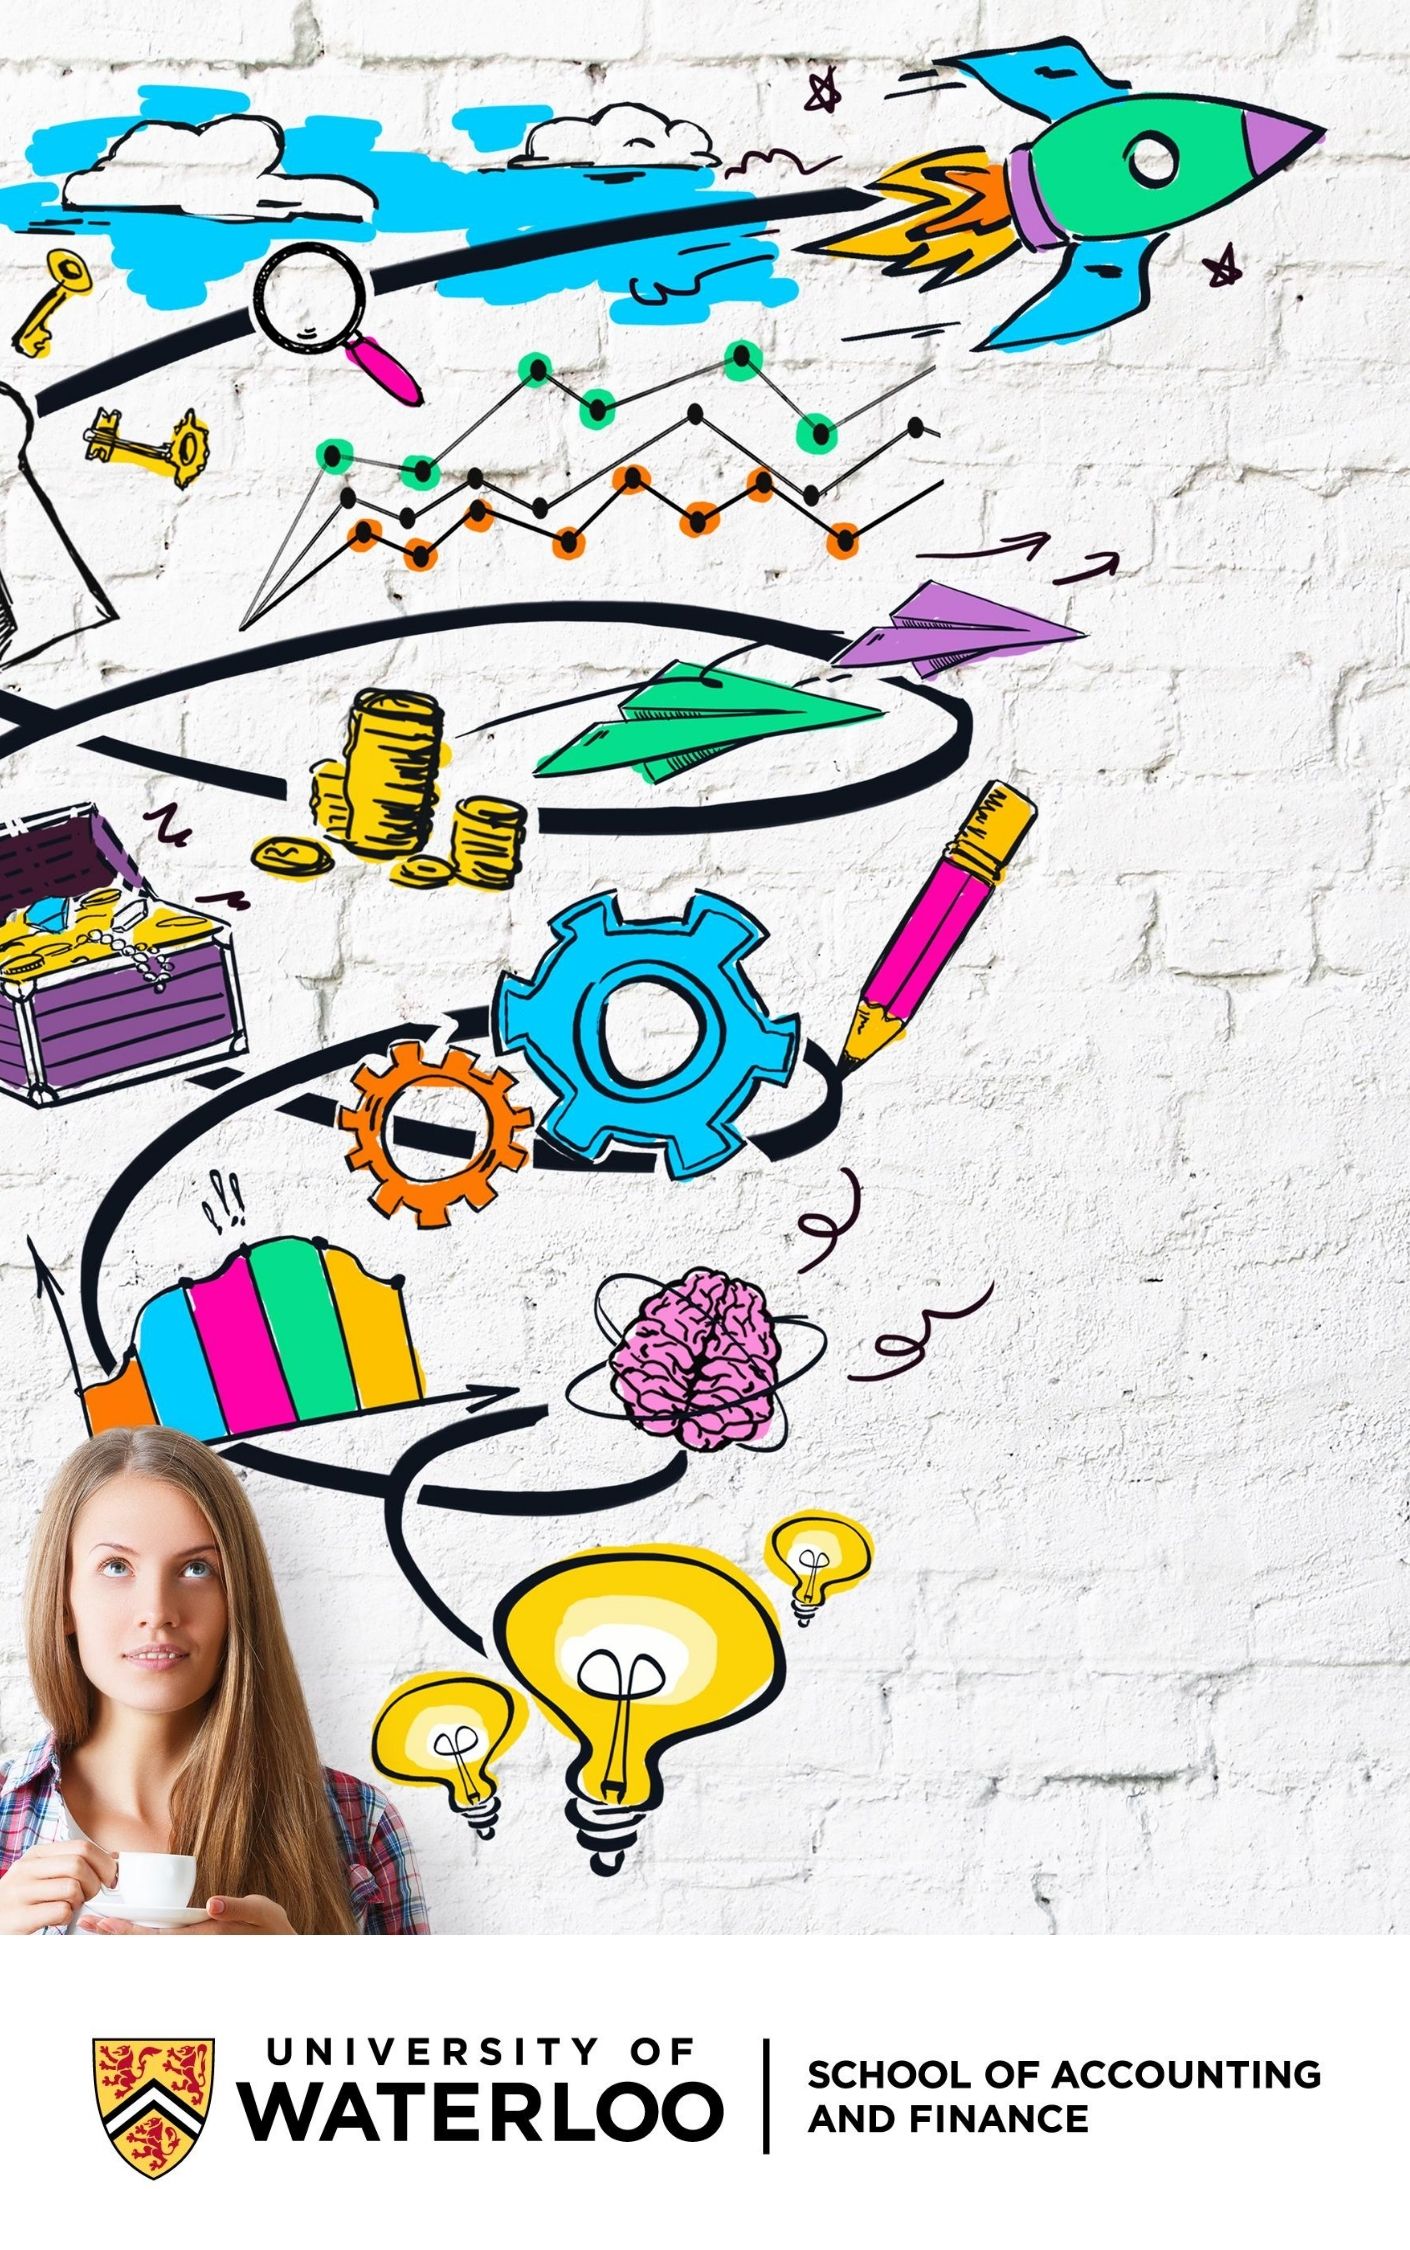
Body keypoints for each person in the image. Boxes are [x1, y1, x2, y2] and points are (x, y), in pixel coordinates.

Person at [0, 1426, 429, 1935]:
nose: (157, 1611)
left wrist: (295, 1990)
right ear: (62, 1599)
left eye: (197, 1569)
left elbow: (422, 2017)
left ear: (237, 1600)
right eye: (116, 1567)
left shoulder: (358, 1822)